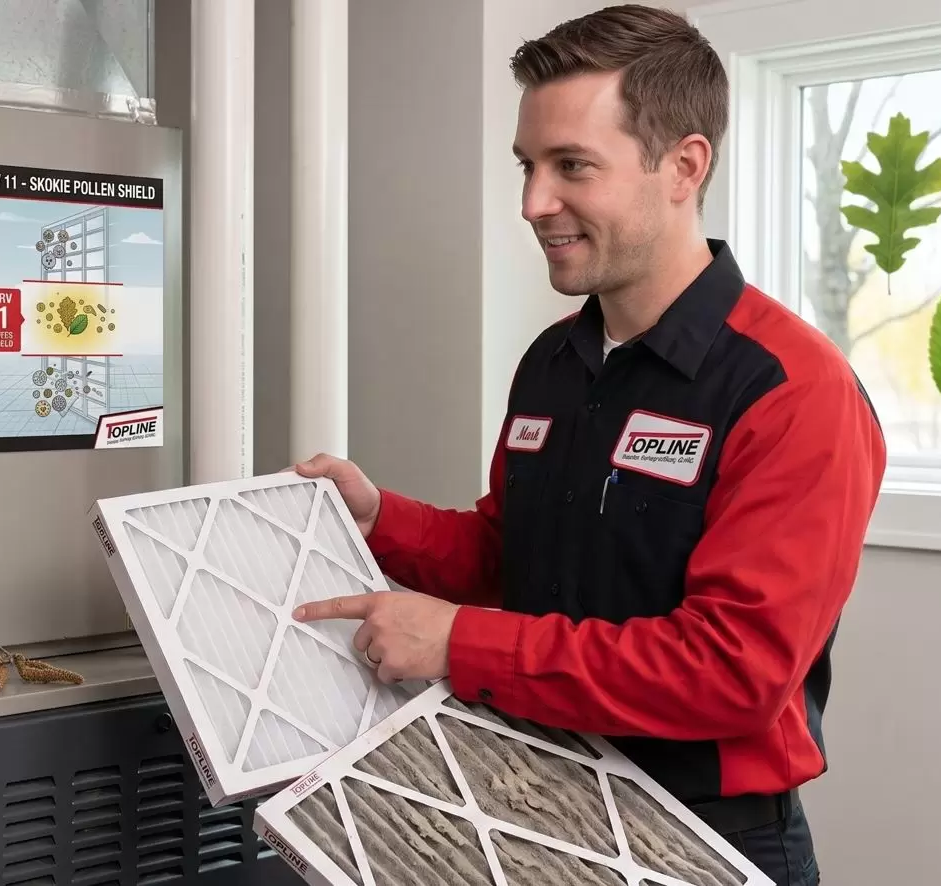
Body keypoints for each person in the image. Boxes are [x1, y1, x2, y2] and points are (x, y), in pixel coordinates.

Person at [292, 5, 884, 885]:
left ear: (684, 166)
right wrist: (379, 519)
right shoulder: (556, 359)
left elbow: (731, 671)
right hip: (533, 808)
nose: (534, 203)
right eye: (529, 166)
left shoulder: (792, 391)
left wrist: (460, 644)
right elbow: (516, 560)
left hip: (705, 843)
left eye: (573, 166)